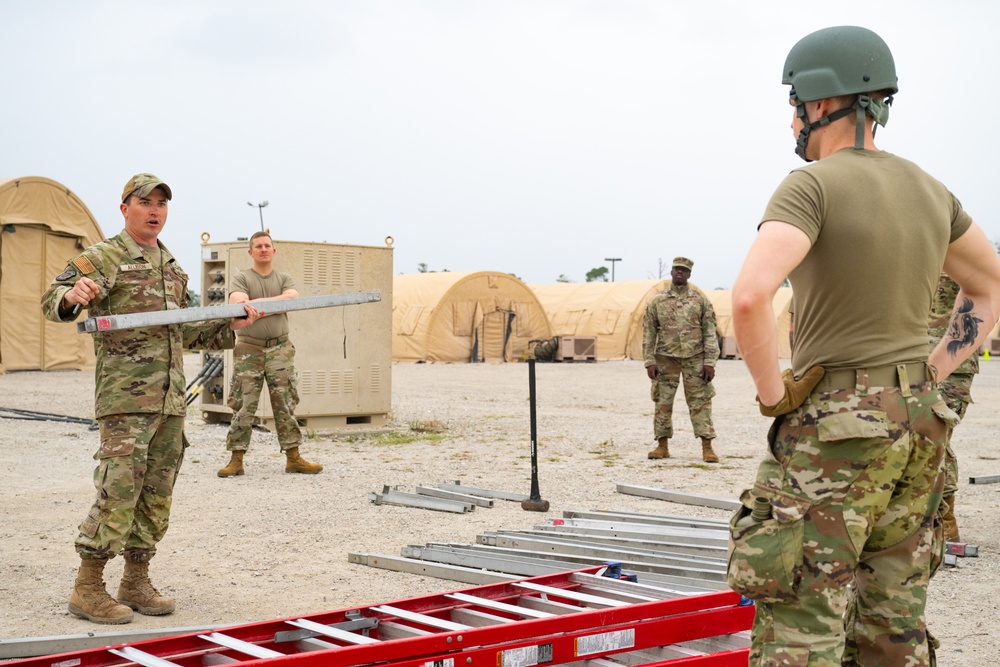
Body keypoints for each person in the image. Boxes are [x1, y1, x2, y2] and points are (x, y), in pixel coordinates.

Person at [728, 26, 1000, 665]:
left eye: (796, 99)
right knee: (892, 617)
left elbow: (749, 298)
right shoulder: (934, 192)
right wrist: (931, 373)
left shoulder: (810, 186)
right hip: (917, 428)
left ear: (822, 102)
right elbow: (988, 290)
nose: (792, 114)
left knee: (803, 614)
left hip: (836, 427)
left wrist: (776, 395)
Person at [41, 174, 262, 625]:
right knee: (118, 489)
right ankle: (87, 587)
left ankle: (135, 580)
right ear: (125, 208)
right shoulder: (104, 258)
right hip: (125, 400)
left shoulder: (172, 267)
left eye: (161, 202)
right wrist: (74, 295)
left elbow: (184, 330)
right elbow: (52, 299)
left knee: (156, 494)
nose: (154, 209)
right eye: (145, 201)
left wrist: (230, 325)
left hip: (170, 402)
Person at [217, 231, 322, 477]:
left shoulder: (284, 277)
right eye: (258, 246)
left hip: (280, 349)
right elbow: (239, 302)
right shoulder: (242, 278)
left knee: (284, 403)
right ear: (250, 252)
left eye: (267, 245)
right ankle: (236, 459)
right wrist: (272, 304)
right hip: (249, 349)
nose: (263, 249)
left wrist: (260, 304)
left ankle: (293, 457)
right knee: (244, 405)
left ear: (273, 251)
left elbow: (292, 298)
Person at [642, 257, 720, 463]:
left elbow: (710, 332)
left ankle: (707, 446)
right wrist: (649, 360)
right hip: (665, 360)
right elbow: (649, 332)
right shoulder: (657, 301)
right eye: (677, 269)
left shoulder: (700, 301)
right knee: (662, 402)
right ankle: (662, 445)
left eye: (684, 270)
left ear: (689, 274)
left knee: (700, 402)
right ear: (671, 272)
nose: (680, 273)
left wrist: (710, 362)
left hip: (695, 358)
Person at [928, 273, 981, 542]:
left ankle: (945, 523)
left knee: (935, 438)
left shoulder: (960, 244)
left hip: (952, 361)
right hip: (910, 357)